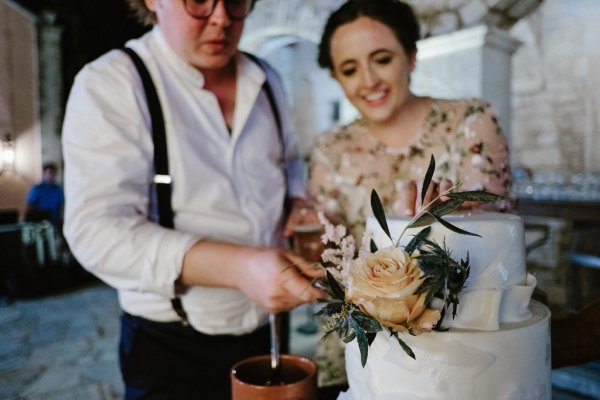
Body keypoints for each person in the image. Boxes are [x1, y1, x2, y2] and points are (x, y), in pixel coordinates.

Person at [61, 0, 323, 398]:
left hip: (268, 329)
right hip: (171, 346)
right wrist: (239, 267)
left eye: (236, 1)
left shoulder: (266, 77)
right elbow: (95, 231)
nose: (221, 18)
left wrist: (298, 206)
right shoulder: (112, 83)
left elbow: (288, 168)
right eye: (198, 0)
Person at [307, 0, 511, 387]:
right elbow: (328, 258)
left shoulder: (470, 123)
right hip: (360, 345)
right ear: (336, 77)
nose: (368, 80)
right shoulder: (329, 149)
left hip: (458, 346)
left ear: (411, 56)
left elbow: (495, 248)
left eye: (382, 59)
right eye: (350, 69)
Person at [25, 162, 65, 228]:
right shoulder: (37, 188)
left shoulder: (58, 189)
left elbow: (61, 205)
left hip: (55, 222)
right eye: (49, 173)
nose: (50, 176)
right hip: (40, 222)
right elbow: (29, 204)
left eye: (53, 173)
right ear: (44, 174)